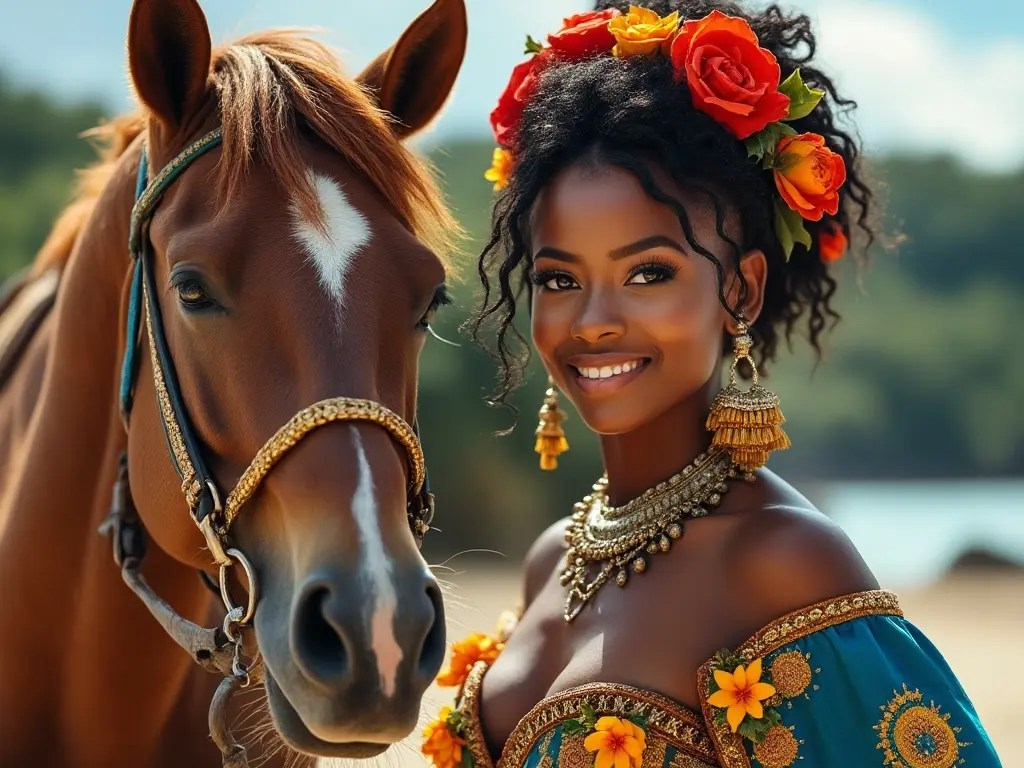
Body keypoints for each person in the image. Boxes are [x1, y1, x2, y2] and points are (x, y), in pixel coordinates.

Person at [421, 2, 1003, 767]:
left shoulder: (782, 562)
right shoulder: (552, 557)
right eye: (559, 278)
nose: (593, 321)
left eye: (648, 272)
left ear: (742, 292)